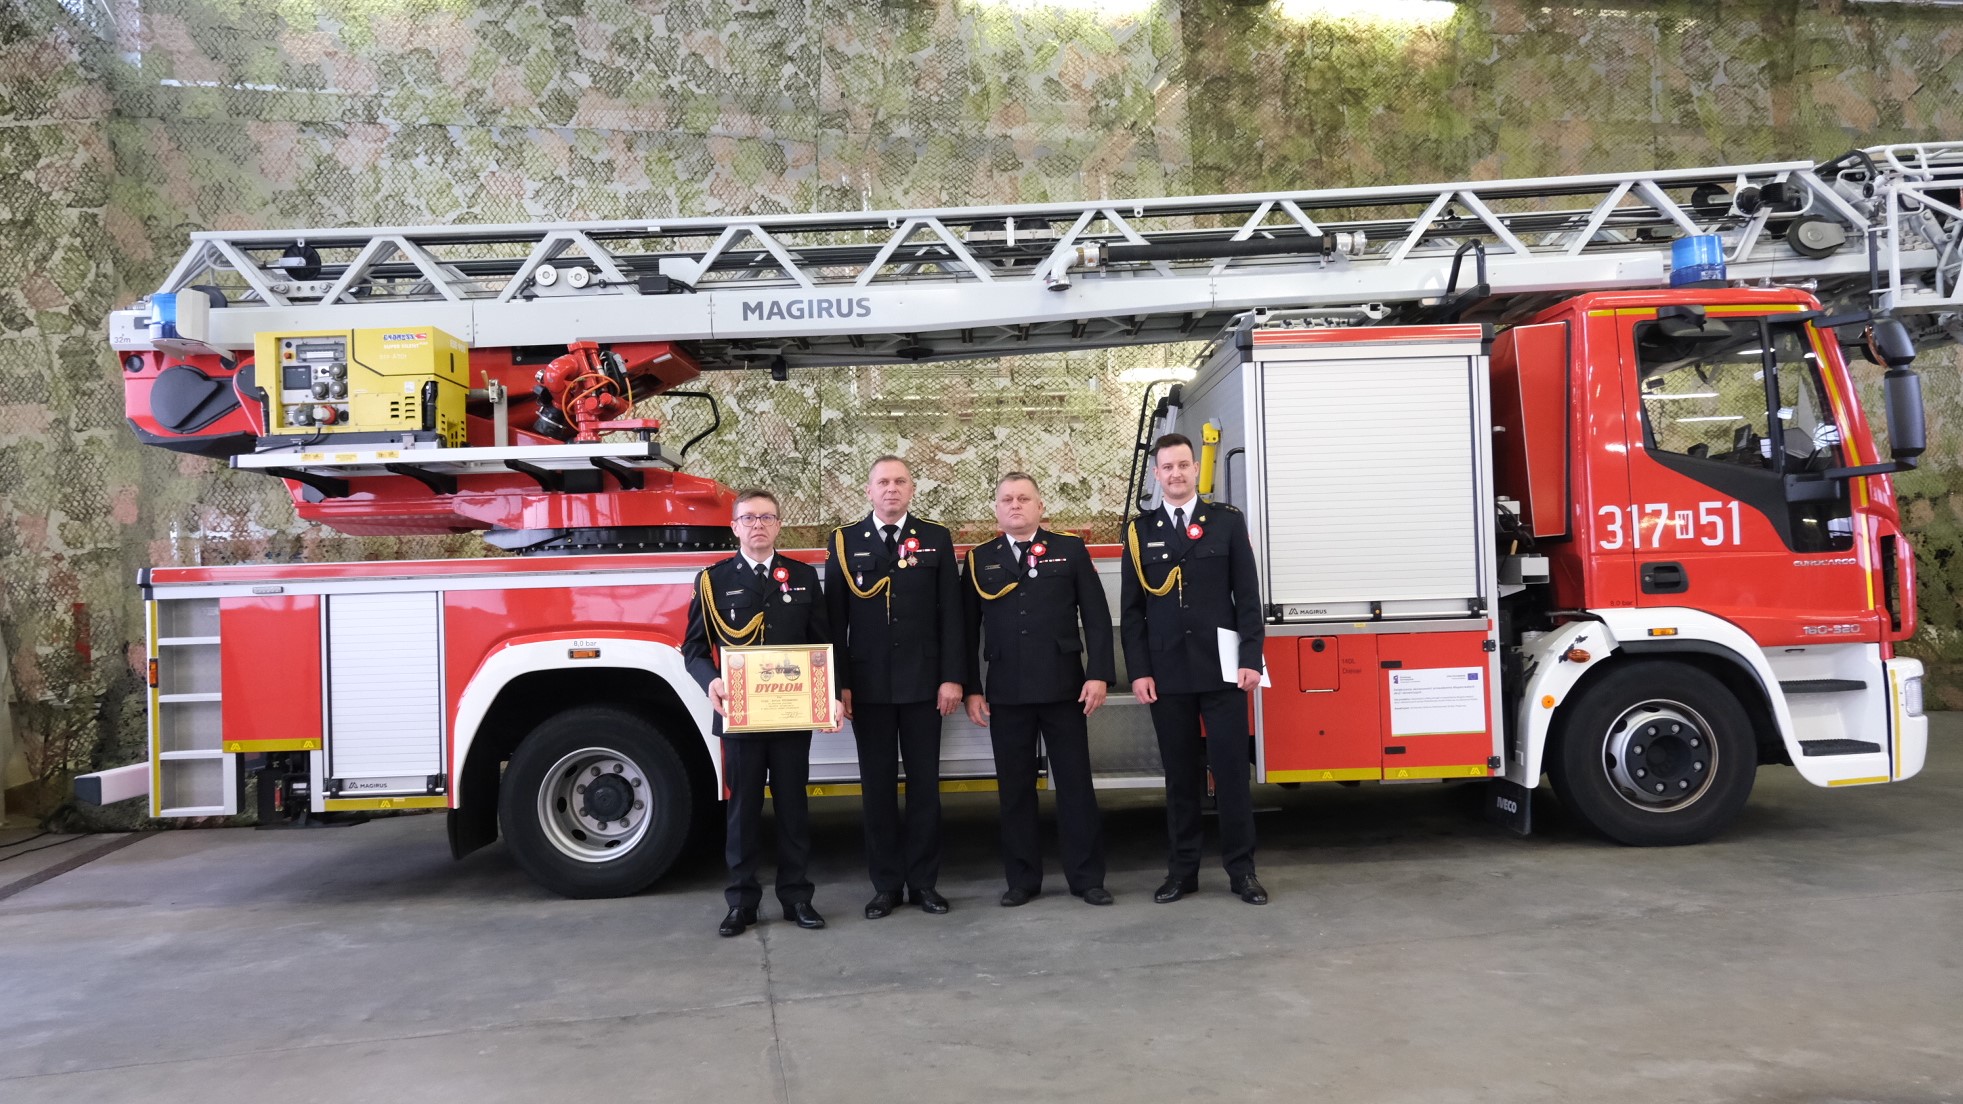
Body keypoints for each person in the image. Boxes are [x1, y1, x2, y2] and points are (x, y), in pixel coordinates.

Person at [1120, 433, 1270, 905]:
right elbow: (1132, 612)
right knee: (1180, 778)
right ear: (1156, 474)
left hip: (1223, 670)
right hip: (1167, 674)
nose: (1176, 474)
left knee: (1231, 775)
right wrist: (1140, 671)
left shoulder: (1225, 522)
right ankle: (1182, 872)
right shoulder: (1139, 533)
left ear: (1195, 469)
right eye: (1167, 467)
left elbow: (1247, 597)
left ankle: (1242, 872)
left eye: (1183, 465)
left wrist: (1250, 659)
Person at [684, 488, 836, 937]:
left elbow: (822, 643)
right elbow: (693, 649)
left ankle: (797, 898)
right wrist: (710, 680)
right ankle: (741, 903)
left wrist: (829, 695)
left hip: (791, 716)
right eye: (748, 518)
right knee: (742, 813)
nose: (758, 525)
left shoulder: (802, 577)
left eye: (766, 517)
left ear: (778, 525)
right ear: (734, 527)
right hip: (741, 717)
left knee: (793, 810)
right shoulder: (712, 581)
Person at [963, 473, 1116, 907]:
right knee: (1014, 791)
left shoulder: (1069, 549)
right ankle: (1022, 880)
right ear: (996, 509)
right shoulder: (980, 560)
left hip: (1064, 688)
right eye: (1007, 499)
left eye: (1023, 498)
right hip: (1006, 692)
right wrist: (972, 687)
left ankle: (1087, 878)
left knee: (1075, 786)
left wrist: (1098, 674)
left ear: (1040, 506)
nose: (1015, 505)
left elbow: (1097, 617)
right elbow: (965, 630)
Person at [824, 456, 965, 919]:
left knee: (925, 788)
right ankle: (885, 885)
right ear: (868, 490)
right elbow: (834, 622)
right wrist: (841, 685)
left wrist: (952, 677)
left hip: (925, 685)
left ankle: (924, 883)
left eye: (899, 481)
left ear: (911, 489)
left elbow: (952, 614)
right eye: (882, 482)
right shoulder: (844, 541)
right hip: (868, 689)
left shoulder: (935, 538)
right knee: (877, 789)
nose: (891, 489)